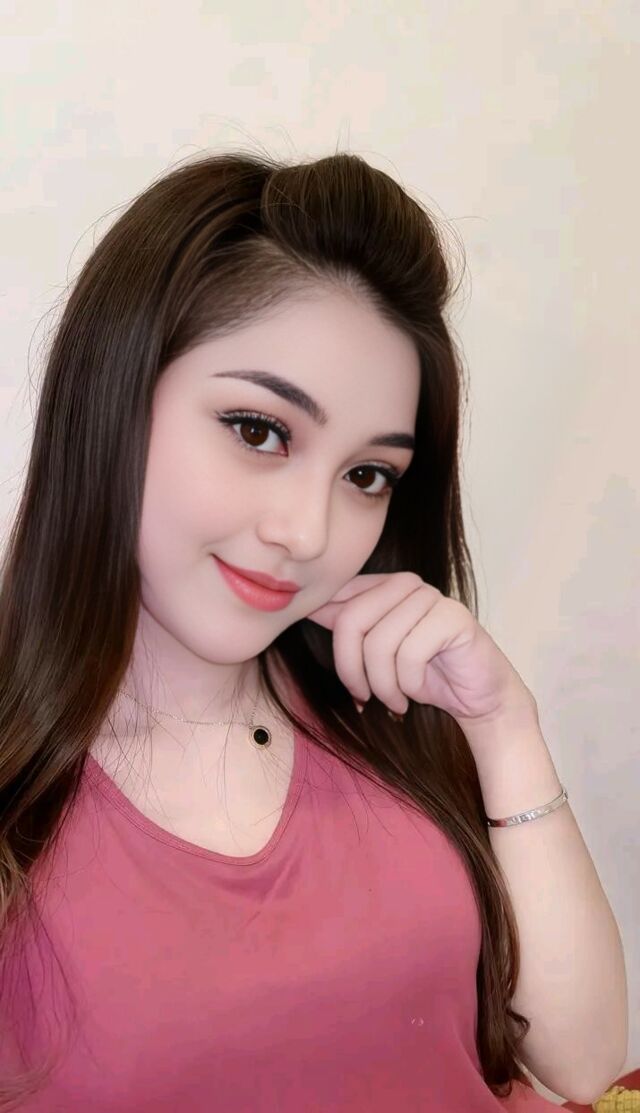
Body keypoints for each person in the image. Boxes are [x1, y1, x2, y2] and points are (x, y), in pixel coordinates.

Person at [0, 149, 627, 1111]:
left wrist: (504, 727)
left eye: (367, 474)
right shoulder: (22, 779)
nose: (309, 532)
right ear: (114, 394)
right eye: (259, 430)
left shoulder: (384, 708)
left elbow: (584, 1063)